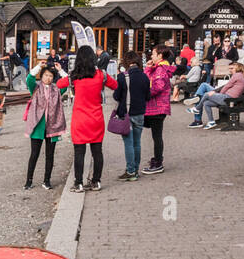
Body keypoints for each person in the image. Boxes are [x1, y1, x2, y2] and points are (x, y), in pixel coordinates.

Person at [64, 45, 115, 192]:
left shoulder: (74, 77)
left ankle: (78, 183)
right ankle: (96, 182)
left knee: (79, 153)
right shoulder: (101, 75)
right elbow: (115, 85)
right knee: (97, 152)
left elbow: (60, 84)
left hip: (79, 120)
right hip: (96, 119)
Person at [22, 62, 68, 189]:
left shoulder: (56, 89)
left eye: (51, 76)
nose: (48, 78)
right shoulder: (35, 88)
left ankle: (47, 180)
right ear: (41, 76)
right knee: (34, 154)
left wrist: (60, 70)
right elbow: (29, 78)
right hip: (38, 126)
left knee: (50, 155)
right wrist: (38, 66)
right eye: (46, 75)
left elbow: (67, 81)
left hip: (53, 126)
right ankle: (29, 181)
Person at [112, 51, 149, 181]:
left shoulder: (123, 77)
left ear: (126, 62)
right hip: (140, 113)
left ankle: (130, 171)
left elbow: (116, 96)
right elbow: (148, 96)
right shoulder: (144, 76)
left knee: (128, 143)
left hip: (126, 114)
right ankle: (136, 170)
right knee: (137, 143)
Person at [186, 61, 244, 128]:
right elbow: (228, 86)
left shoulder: (237, 75)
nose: (230, 70)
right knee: (206, 103)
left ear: (238, 68)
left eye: (232, 68)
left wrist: (218, 94)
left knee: (207, 94)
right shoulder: (242, 76)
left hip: (227, 98)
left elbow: (226, 86)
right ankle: (211, 122)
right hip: (229, 98)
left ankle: (197, 107)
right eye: (230, 68)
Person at [142, 47, 174, 173]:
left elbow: (157, 87)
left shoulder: (161, 69)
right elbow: (146, 79)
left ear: (160, 55)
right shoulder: (158, 68)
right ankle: (157, 159)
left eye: (153, 54)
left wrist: (145, 94)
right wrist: (149, 68)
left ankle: (158, 162)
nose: (151, 56)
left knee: (156, 135)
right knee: (156, 135)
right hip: (155, 107)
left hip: (157, 107)